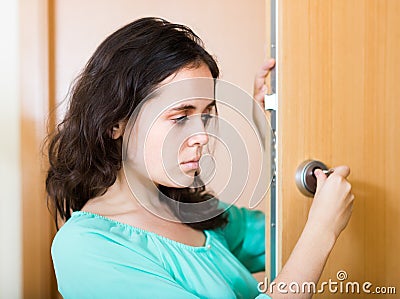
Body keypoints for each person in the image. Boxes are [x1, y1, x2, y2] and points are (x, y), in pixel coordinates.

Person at [46, 17, 354, 299]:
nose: (203, 136)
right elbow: (312, 232)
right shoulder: (86, 247)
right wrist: (321, 233)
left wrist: (273, 134)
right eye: (180, 117)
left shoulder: (193, 212)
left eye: (206, 114)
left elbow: (284, 231)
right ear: (116, 123)